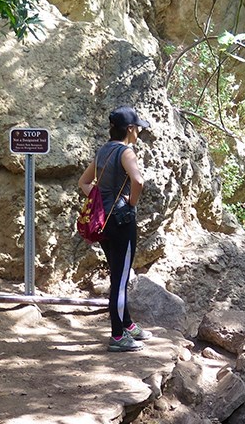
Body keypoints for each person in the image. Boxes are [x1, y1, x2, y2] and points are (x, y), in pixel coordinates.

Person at [78, 106, 154, 352]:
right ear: (130, 129)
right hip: (122, 221)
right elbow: (138, 181)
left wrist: (101, 200)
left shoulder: (103, 151)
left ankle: (128, 324)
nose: (139, 132)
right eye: (138, 128)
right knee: (120, 279)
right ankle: (118, 336)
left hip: (104, 220)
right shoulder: (126, 152)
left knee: (117, 273)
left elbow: (84, 182)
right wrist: (131, 203)